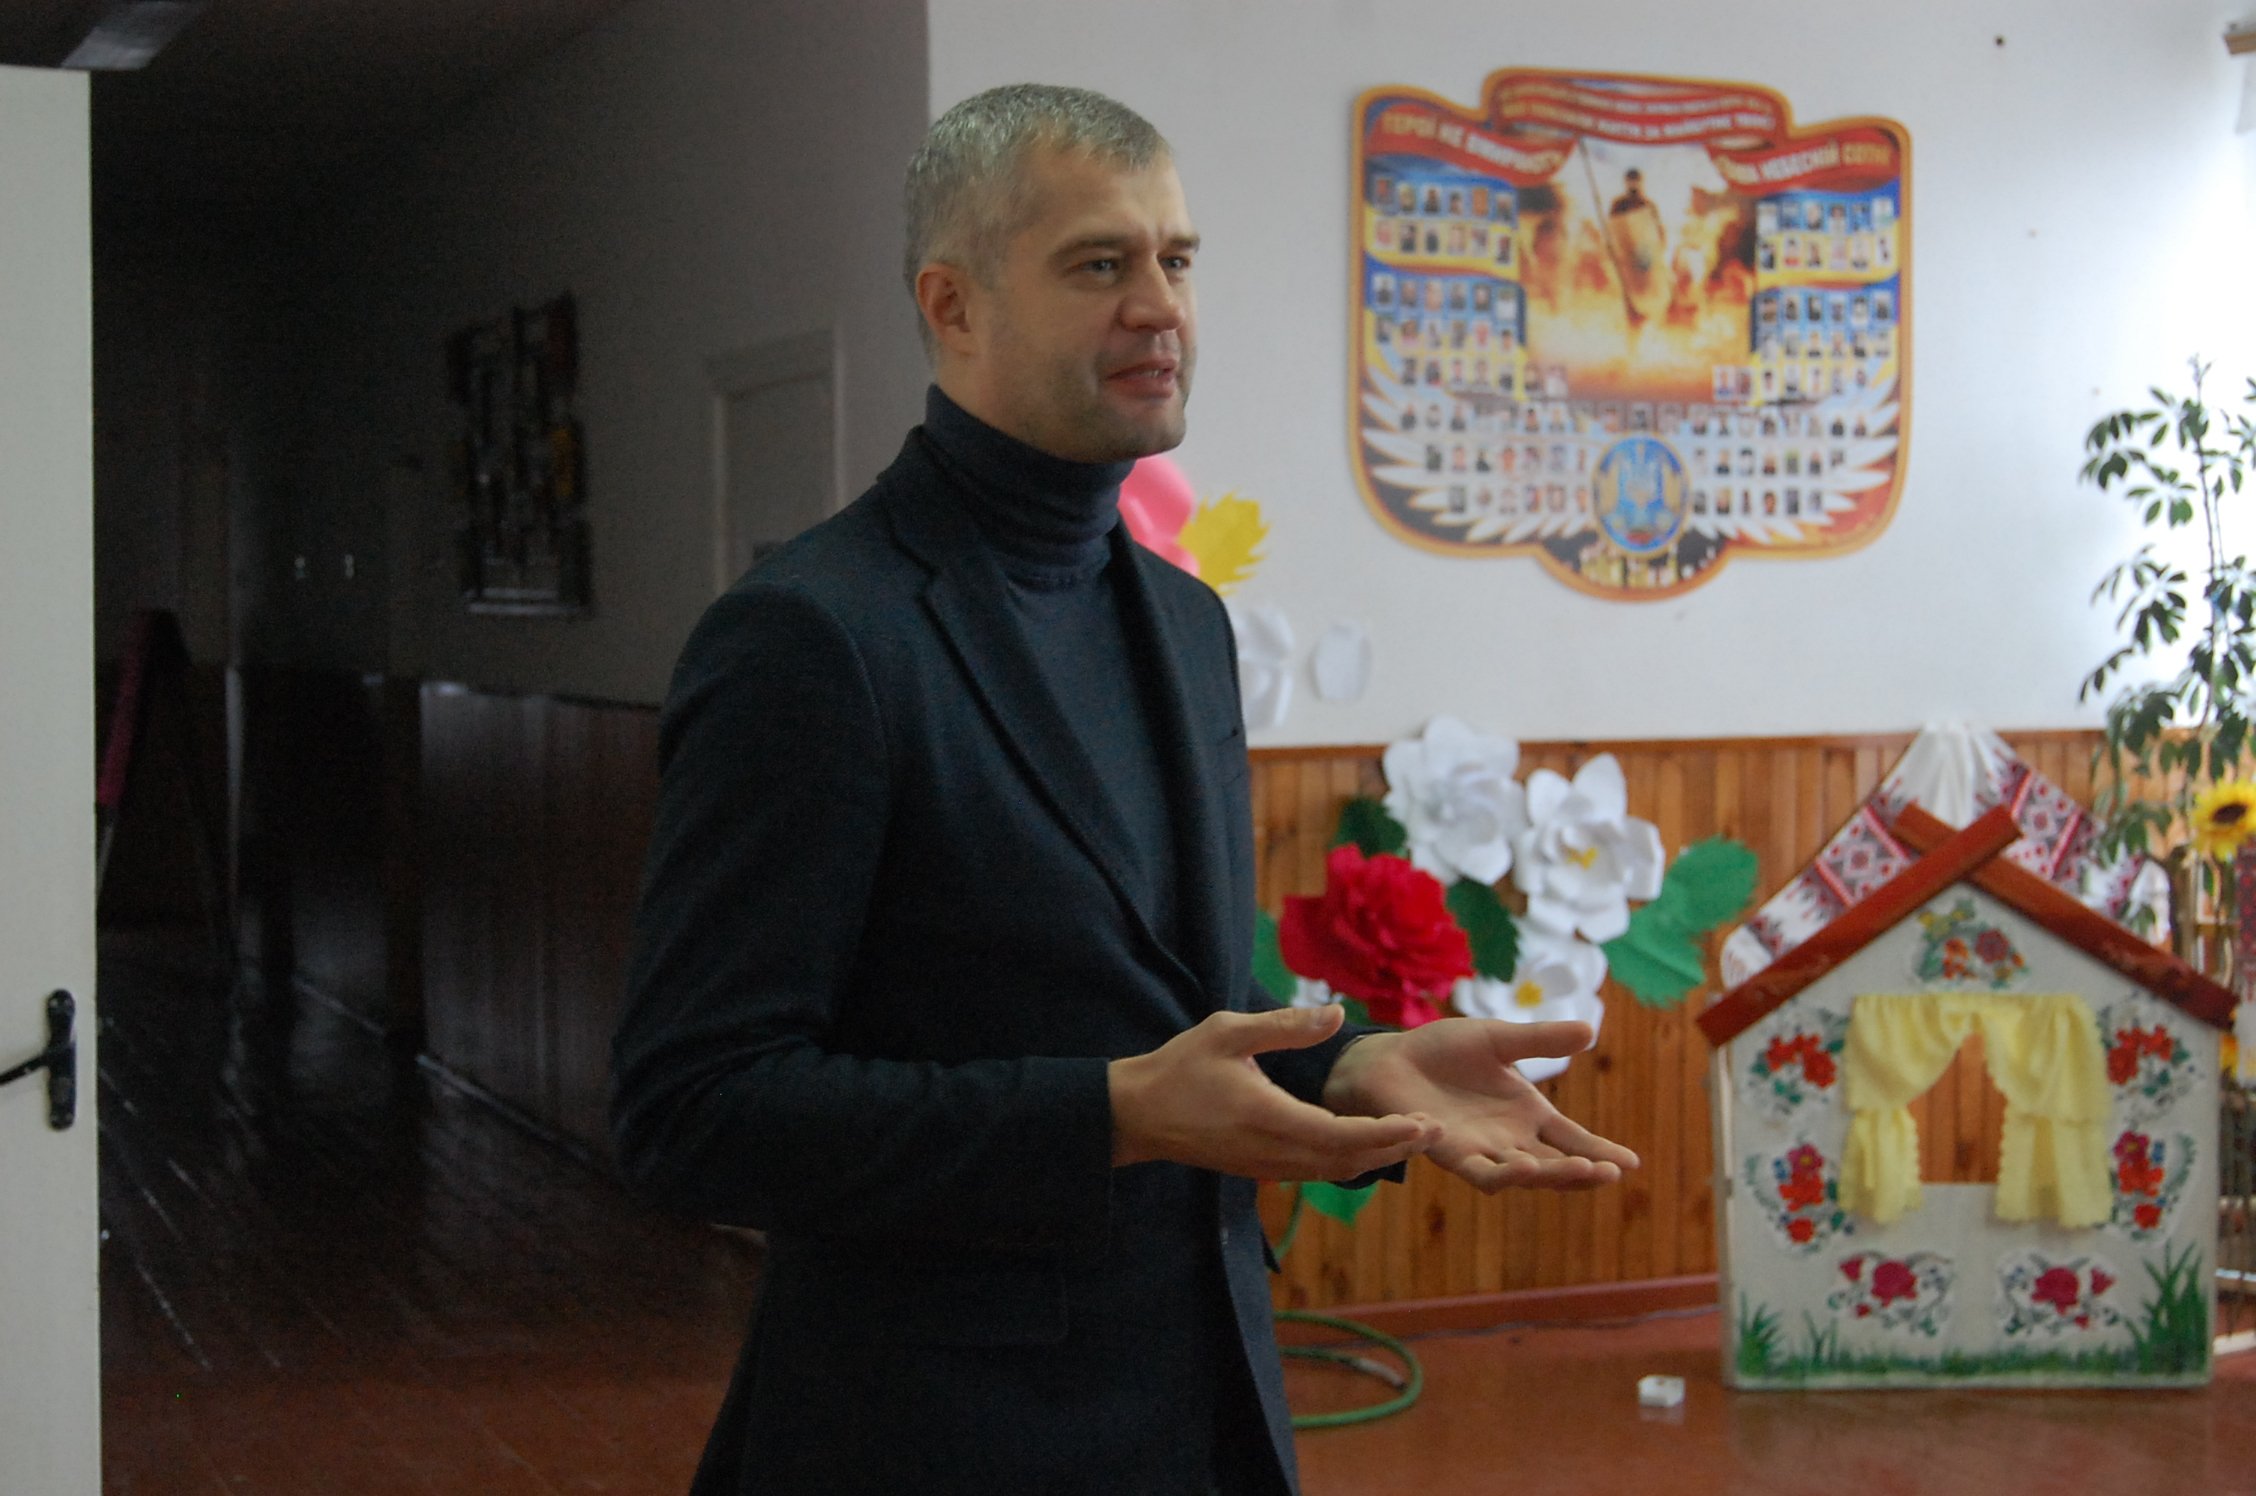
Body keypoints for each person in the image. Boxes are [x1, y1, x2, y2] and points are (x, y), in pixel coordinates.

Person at [611, 83, 1637, 1496]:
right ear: (953, 305)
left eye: (1178, 258)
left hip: (1202, 1410)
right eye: (1100, 263)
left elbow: (1153, 1004)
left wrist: (1345, 1064)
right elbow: (693, 1112)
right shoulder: (816, 635)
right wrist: (1109, 1117)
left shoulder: (1182, 621)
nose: (1161, 307)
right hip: (930, 1437)